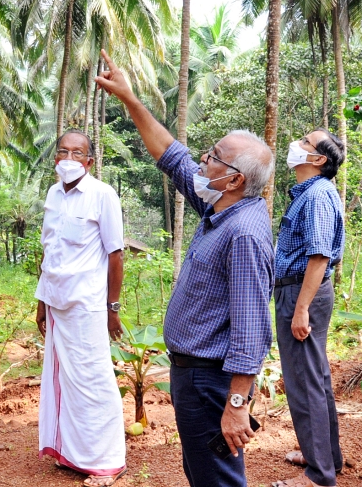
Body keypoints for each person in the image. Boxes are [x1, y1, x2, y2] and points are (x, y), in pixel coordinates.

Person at [94, 50, 275, 487]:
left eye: (213, 156)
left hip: (212, 381)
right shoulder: (221, 208)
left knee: (219, 480)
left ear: (233, 179)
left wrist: (235, 405)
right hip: (193, 374)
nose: (202, 162)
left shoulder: (245, 233)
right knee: (203, 473)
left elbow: (252, 327)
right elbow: (173, 157)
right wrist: (130, 99)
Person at [35, 130, 127, 487]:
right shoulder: (53, 194)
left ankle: (107, 462)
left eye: (78, 153)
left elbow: (115, 255)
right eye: (63, 152)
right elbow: (50, 253)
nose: (70, 159)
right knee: (64, 382)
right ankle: (74, 454)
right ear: (56, 159)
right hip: (57, 302)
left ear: (90, 162)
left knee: (93, 380)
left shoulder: (103, 196)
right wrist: (41, 304)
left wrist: (112, 307)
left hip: (87, 304)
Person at [271, 129, 347, 487]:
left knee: (304, 381)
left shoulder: (316, 196)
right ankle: (325, 457)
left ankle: (318, 474)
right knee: (313, 377)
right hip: (302, 292)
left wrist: (300, 308)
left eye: (304, 141)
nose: (296, 144)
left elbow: (319, 257)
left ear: (317, 160)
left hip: (303, 293)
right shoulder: (311, 193)